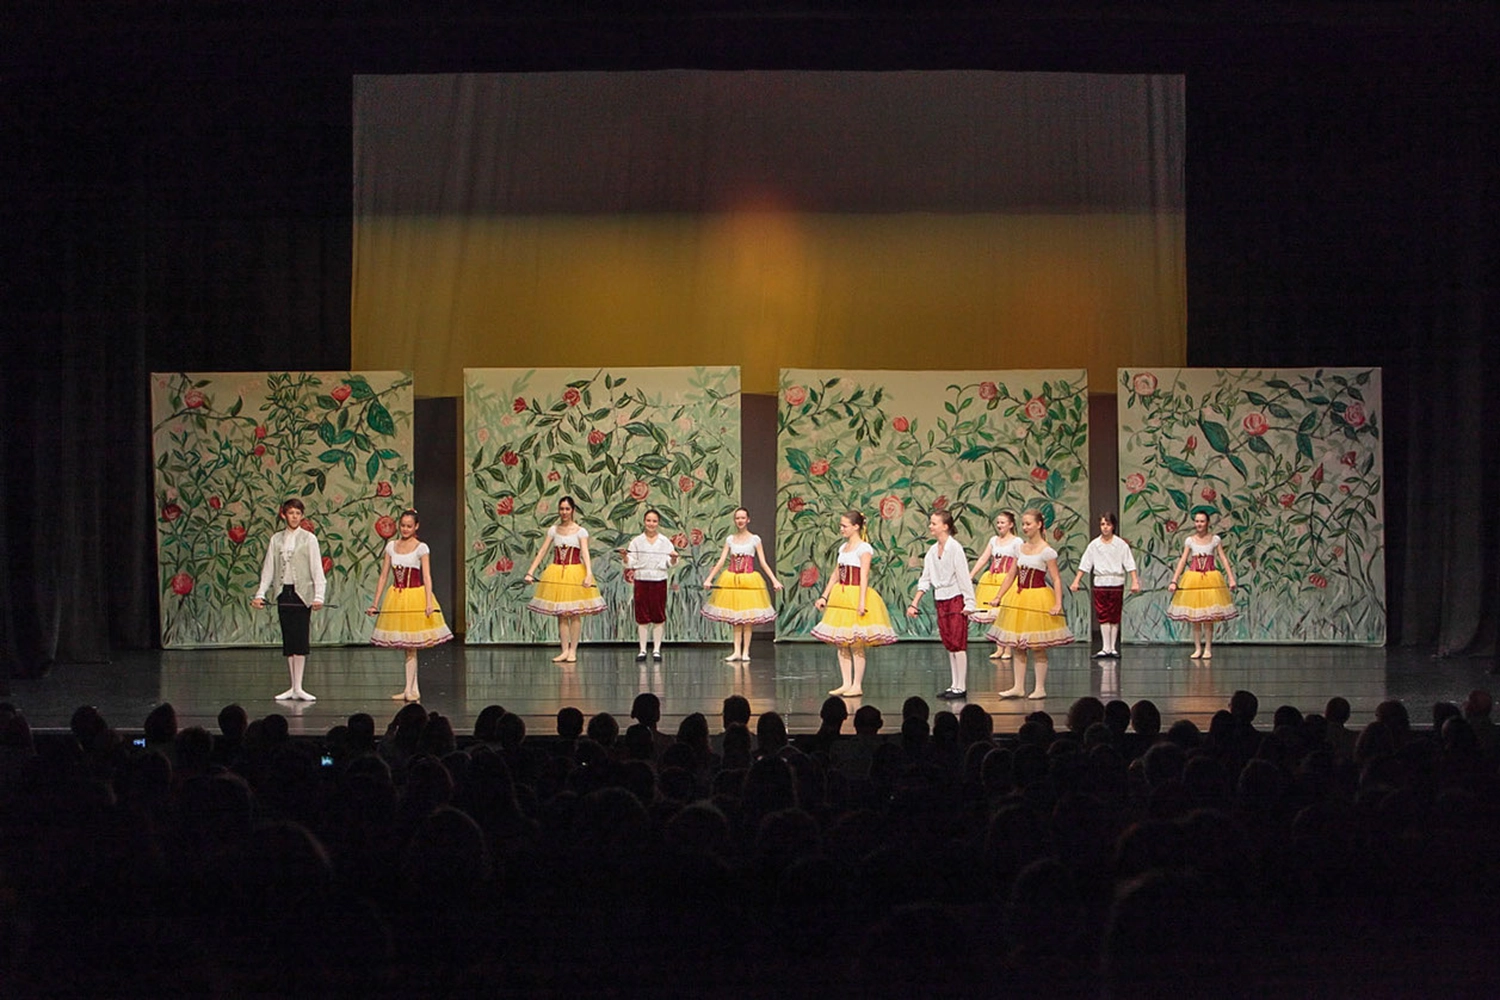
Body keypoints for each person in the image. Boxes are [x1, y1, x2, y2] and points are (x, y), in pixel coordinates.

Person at [985, 508, 1073, 699]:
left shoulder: (1047, 551)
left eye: (1028, 524)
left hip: (1038, 598)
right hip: (1019, 596)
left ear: (1039, 525)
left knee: (1037, 647)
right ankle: (1018, 686)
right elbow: (1011, 575)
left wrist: (1058, 603)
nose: (1024, 527)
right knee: (1018, 646)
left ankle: (1040, 688)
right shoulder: (1020, 548)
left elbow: (1056, 579)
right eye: (1023, 524)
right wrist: (999, 596)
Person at [368, 509, 454, 701]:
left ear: (416, 526)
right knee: (407, 646)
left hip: (415, 595)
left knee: (411, 646)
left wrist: (429, 602)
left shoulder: (421, 548)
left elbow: (426, 576)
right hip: (397, 597)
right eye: (402, 525)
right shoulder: (391, 546)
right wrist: (375, 603)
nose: (405, 529)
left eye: (409, 526)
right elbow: (383, 576)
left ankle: (409, 689)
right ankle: (412, 689)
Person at [810, 511, 898, 697]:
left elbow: (864, 575)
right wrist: (824, 596)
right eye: (841, 525)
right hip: (840, 595)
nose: (841, 529)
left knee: (856, 643)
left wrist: (861, 601)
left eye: (844, 526)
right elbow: (835, 574)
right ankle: (846, 683)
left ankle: (857, 684)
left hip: (855, 594)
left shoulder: (864, 548)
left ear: (856, 526)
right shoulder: (843, 548)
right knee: (842, 642)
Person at [252, 498, 326, 701]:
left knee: (300, 638)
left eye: (298, 513)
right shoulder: (276, 539)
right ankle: (292, 687)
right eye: (291, 513)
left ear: (302, 516)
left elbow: (316, 569)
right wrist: (260, 593)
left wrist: (319, 595)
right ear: (284, 515)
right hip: (283, 592)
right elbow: (269, 568)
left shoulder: (309, 539)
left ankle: (299, 686)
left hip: (302, 593)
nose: (294, 517)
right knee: (289, 639)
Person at [523, 496, 606, 662]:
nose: (564, 512)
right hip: (556, 571)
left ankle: (573, 650)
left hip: (575, 572)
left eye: (567, 509)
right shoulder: (554, 530)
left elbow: (585, 553)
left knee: (574, 614)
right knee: (561, 614)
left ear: (573, 510)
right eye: (561, 509)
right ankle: (564, 650)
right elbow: (543, 551)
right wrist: (530, 572)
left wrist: (589, 573)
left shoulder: (580, 531)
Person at [906, 510, 978, 700]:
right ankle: (954, 685)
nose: (930, 526)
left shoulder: (955, 548)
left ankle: (961, 686)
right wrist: (915, 603)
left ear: (945, 526)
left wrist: (969, 602)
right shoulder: (932, 550)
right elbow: (926, 578)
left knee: (958, 643)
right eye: (931, 523)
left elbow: (963, 576)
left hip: (955, 598)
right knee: (949, 643)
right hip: (941, 599)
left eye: (934, 523)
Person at [701, 507, 783, 662]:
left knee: (747, 620)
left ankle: (746, 652)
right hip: (732, 579)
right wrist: (709, 578)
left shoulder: (755, 539)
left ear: (748, 519)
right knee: (736, 620)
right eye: (737, 518)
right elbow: (721, 561)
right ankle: (736, 651)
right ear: (735, 520)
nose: (740, 520)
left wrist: (774, 580)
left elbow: (763, 562)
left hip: (748, 580)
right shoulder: (730, 539)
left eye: (743, 518)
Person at [1166, 510, 1238, 658]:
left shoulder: (1215, 540)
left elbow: (1223, 559)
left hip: (1210, 578)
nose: (1199, 524)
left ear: (1207, 523)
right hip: (1194, 578)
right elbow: (1183, 561)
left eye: (1202, 521)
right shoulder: (1190, 541)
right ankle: (1197, 648)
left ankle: (1208, 648)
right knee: (1196, 617)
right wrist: (1174, 580)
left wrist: (1231, 578)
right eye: (1197, 521)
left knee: (1208, 617)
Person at [1070, 512, 1141, 658]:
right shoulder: (1094, 545)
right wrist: (1077, 580)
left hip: (1116, 581)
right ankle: (1105, 647)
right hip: (1100, 582)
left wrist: (1134, 580)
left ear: (1113, 526)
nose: (1105, 527)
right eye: (1102, 524)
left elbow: (1129, 563)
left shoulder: (1121, 544)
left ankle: (1112, 647)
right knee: (1103, 613)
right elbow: (1085, 564)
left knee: (1114, 614)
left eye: (1108, 524)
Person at [621, 509, 678, 662]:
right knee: (642, 616)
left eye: (654, 521)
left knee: (658, 615)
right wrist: (626, 558)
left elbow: (670, 562)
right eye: (648, 520)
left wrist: (672, 559)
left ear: (658, 523)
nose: (651, 524)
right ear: (644, 522)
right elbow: (631, 561)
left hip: (659, 580)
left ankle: (657, 649)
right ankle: (642, 649)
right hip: (641, 580)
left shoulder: (664, 541)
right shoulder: (636, 541)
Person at [970, 510, 1022, 660]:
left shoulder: (1017, 542)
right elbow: (983, 559)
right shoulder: (994, 540)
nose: (999, 525)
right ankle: (999, 648)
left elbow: (1020, 562)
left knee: (1005, 615)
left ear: (1011, 524)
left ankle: (1008, 649)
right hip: (992, 580)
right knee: (996, 616)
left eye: (1003, 522)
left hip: (1008, 580)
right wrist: (971, 574)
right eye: (998, 522)